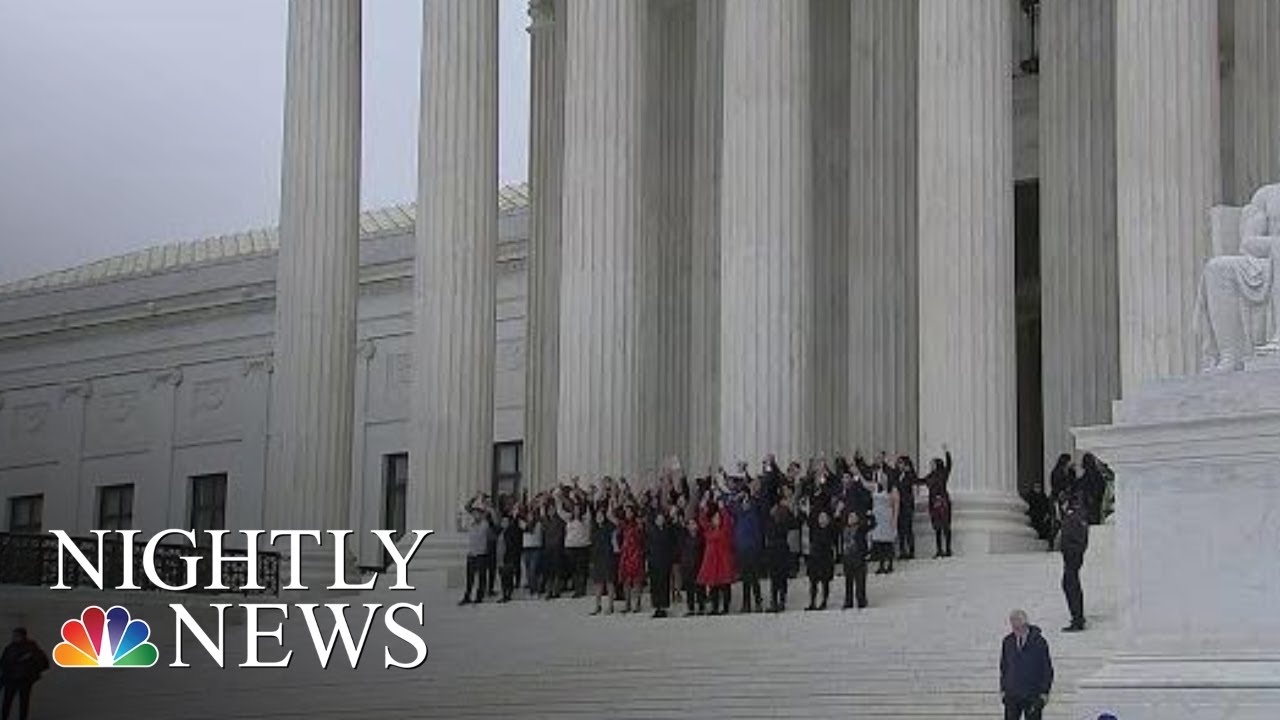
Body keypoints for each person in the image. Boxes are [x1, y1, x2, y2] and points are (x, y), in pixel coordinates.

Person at [999, 609, 1054, 720]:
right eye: (1013, 626)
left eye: (1018, 626)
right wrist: (1003, 689)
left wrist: (1044, 692)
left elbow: (1047, 668)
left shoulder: (1039, 641)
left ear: (1025, 624)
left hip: (1032, 694)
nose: (1015, 629)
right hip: (1012, 694)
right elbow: (1004, 666)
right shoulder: (1008, 641)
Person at [1, 628, 48, 720]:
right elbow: (4, 662)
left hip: (23, 679)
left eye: (16, 635)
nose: (14, 637)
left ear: (22, 636)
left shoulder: (30, 648)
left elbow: (41, 661)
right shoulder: (11, 647)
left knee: (22, 702)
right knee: (9, 701)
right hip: (13, 679)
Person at [698, 502, 736, 615]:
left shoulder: (725, 530)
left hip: (723, 562)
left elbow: (728, 521)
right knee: (713, 586)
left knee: (725, 585)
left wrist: (722, 508)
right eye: (715, 518)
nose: (717, 520)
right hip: (712, 562)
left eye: (718, 518)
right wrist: (703, 508)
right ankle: (714, 607)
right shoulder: (709, 530)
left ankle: (725, 607)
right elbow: (702, 521)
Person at [1058, 493, 1089, 632]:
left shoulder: (1074, 516)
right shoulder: (1076, 515)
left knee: (1070, 585)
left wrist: (1070, 550)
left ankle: (1078, 620)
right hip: (1072, 557)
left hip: (1072, 557)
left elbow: (1079, 540)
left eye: (1062, 503)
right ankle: (1078, 617)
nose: (1061, 506)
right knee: (1070, 585)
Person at [731, 491, 765, 613]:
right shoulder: (739, 515)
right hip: (741, 551)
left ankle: (758, 602)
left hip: (752, 550)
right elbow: (732, 506)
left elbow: (758, 534)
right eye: (743, 503)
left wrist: (758, 549)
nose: (745, 504)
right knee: (745, 579)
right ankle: (746, 603)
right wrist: (737, 497)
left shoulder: (753, 515)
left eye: (747, 502)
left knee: (754, 578)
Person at [920, 446, 954, 557]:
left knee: (946, 526)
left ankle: (948, 549)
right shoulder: (930, 476)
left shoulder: (943, 473)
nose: (931, 466)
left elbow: (949, 465)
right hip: (933, 502)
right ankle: (939, 550)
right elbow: (920, 481)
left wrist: (947, 452)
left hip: (943, 501)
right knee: (937, 526)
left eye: (932, 464)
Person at [765, 498, 797, 612]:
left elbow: (794, 524)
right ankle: (774, 601)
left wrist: (788, 509)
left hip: (782, 550)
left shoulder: (785, 519)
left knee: (782, 578)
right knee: (774, 578)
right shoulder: (769, 521)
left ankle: (782, 601)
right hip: (773, 551)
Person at [647, 509, 679, 618]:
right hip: (654, 562)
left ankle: (664, 606)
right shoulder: (651, 531)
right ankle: (656, 606)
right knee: (655, 585)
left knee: (664, 584)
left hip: (665, 561)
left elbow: (673, 543)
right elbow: (647, 546)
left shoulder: (668, 530)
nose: (660, 521)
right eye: (658, 519)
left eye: (662, 519)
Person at [459, 501, 493, 605]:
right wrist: (459, 518)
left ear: (481, 514)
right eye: (474, 513)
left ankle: (479, 597)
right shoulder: (472, 525)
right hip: (471, 554)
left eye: (477, 513)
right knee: (470, 578)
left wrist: (484, 505)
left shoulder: (485, 524)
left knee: (482, 578)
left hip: (481, 554)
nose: (475, 515)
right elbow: (461, 529)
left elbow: (488, 516)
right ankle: (467, 596)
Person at [840, 509, 874, 610]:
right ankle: (848, 601)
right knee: (848, 581)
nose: (851, 519)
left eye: (854, 517)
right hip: (848, 557)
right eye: (850, 517)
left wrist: (870, 516)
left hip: (859, 557)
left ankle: (861, 600)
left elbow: (872, 524)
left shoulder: (861, 528)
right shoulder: (844, 528)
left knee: (860, 581)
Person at [805, 510, 836, 611]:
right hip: (815, 559)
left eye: (824, 517)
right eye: (820, 517)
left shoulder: (831, 530)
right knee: (813, 582)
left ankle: (824, 602)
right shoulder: (815, 529)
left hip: (825, 559)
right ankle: (812, 602)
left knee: (825, 582)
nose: (822, 520)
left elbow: (830, 542)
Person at [589, 505, 618, 615]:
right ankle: (598, 605)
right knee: (598, 583)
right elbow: (592, 545)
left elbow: (616, 526)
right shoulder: (594, 529)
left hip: (608, 557)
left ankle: (610, 606)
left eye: (601, 515)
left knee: (610, 582)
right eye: (597, 516)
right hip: (597, 559)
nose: (599, 517)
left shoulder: (609, 527)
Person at [617, 507, 647, 613]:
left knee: (637, 580)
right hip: (625, 554)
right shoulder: (623, 525)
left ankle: (637, 602)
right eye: (626, 512)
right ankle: (627, 603)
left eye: (629, 512)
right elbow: (619, 538)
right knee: (626, 580)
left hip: (636, 554)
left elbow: (642, 539)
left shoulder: (638, 524)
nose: (627, 514)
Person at [870, 472, 899, 574]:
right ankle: (881, 565)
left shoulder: (893, 489)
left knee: (888, 542)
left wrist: (894, 520)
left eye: (883, 477)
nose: (882, 479)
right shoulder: (876, 488)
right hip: (878, 518)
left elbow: (896, 506)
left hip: (887, 517)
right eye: (880, 478)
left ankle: (890, 564)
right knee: (880, 543)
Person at [679, 517, 707, 615]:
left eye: (694, 524)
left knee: (700, 587)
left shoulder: (701, 537)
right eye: (690, 524)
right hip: (687, 566)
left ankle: (701, 607)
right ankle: (690, 608)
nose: (692, 526)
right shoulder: (684, 537)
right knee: (689, 588)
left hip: (699, 565)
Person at [541, 498, 566, 600]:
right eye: (549, 509)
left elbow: (561, 534)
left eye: (553, 509)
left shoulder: (559, 521)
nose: (551, 511)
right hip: (548, 549)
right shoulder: (546, 521)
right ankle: (548, 591)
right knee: (548, 572)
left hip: (557, 548)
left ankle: (556, 591)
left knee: (557, 571)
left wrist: (556, 543)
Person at [894, 456, 917, 560]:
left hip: (907, 506)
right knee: (900, 530)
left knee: (908, 529)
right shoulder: (897, 475)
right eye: (898, 463)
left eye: (901, 463)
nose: (900, 465)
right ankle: (902, 551)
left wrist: (910, 471)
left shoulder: (909, 475)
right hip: (899, 506)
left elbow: (914, 480)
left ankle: (911, 551)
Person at [497, 514, 523, 602]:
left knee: (507, 578)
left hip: (508, 558)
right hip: (501, 558)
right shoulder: (501, 532)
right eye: (502, 521)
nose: (503, 523)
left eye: (505, 521)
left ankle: (507, 594)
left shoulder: (511, 532)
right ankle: (505, 594)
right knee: (503, 578)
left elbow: (513, 546)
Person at [519, 506, 543, 595]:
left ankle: (535, 588)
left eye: (531, 516)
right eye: (528, 516)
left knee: (533, 569)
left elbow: (531, 530)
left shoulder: (538, 524)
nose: (530, 517)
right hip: (526, 549)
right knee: (528, 570)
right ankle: (532, 588)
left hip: (535, 548)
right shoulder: (523, 524)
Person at [1079, 453, 1107, 526]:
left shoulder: (1084, 477)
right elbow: (1101, 487)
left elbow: (1081, 489)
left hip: (1086, 505)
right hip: (1095, 504)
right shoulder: (1098, 475)